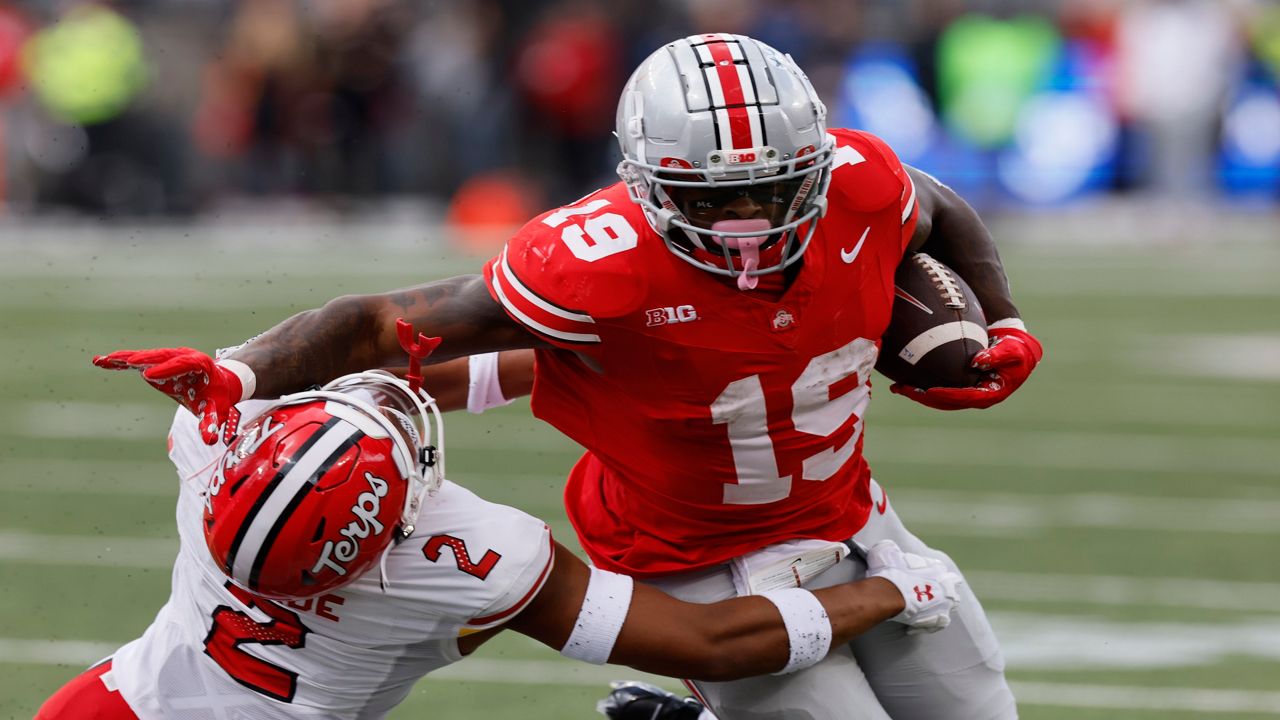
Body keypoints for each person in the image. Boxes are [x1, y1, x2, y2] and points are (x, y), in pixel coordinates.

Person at [91, 33, 1043, 719]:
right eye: (718, 198)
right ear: (645, 181)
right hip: (691, 556)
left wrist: (1001, 317)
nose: (750, 218)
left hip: (849, 511)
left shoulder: (859, 182)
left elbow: (936, 208)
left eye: (775, 187)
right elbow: (388, 324)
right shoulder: (595, 265)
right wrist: (246, 366)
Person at [37, 360, 960, 719]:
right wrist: (893, 592)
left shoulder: (211, 450)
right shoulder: (468, 559)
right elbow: (709, 641)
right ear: (393, 530)